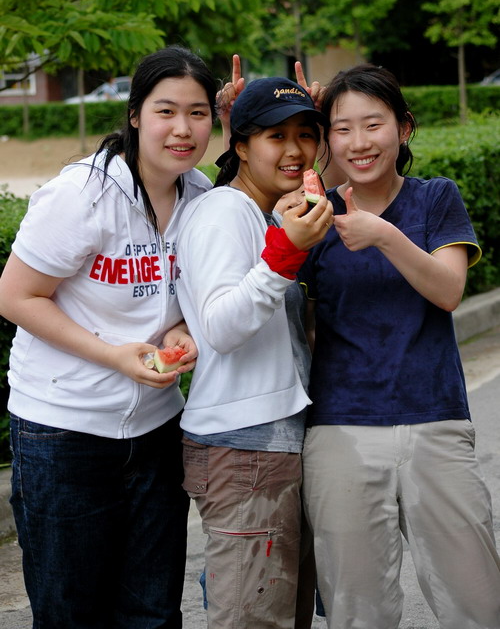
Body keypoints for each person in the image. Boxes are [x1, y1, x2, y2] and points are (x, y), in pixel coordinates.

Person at [0, 45, 220, 629]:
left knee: (152, 611)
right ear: (135, 114)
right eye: (165, 111)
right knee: (71, 613)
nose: (182, 128)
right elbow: (15, 296)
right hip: (62, 432)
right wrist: (112, 356)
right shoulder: (83, 194)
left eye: (198, 113)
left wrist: (181, 330)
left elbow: (182, 296)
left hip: (157, 430)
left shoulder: (200, 196)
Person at [299, 63, 500, 629]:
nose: (359, 142)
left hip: (435, 418)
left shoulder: (436, 198)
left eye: (373, 124)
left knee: (478, 604)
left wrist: (384, 236)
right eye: (342, 128)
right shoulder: (314, 216)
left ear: (404, 128)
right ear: (328, 138)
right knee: (357, 610)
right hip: (340, 427)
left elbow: (448, 291)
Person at [175, 77, 334, 628]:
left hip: (272, 443)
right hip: (244, 448)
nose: (294, 150)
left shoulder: (267, 212)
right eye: (275, 136)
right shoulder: (224, 211)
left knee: (280, 613)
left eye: (306, 134)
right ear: (240, 146)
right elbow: (220, 326)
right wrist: (285, 253)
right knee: (252, 618)